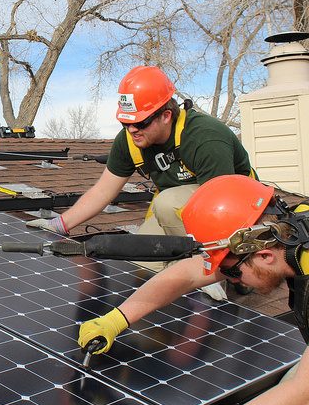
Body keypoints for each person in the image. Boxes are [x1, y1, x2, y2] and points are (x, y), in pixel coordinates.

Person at [77, 175, 309, 405]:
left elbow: (301, 396)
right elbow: (188, 274)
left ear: (264, 256)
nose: (230, 279)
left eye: (231, 271)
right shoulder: (292, 226)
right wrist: (116, 319)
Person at [27, 65, 254, 299]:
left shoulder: (205, 138)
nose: (132, 130)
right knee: (142, 259)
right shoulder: (129, 141)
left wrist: (205, 267)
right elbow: (104, 190)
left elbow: (217, 210)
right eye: (126, 123)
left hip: (235, 208)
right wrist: (59, 225)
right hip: (181, 211)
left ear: (166, 115)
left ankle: (214, 270)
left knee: (167, 203)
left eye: (141, 122)